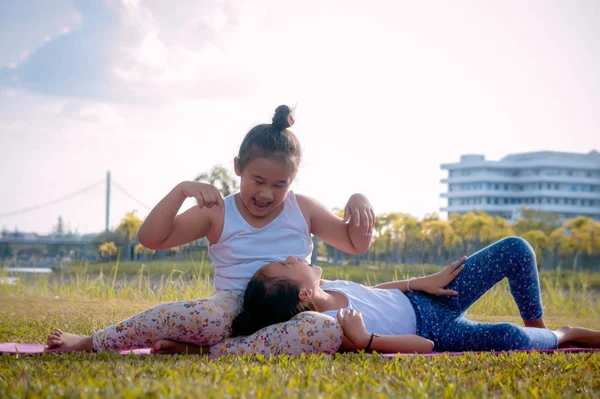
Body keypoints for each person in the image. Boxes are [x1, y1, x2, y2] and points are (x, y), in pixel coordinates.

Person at [47, 105, 374, 356]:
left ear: (293, 180)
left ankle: (206, 352)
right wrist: (181, 191)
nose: (266, 194)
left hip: (291, 309)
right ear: (238, 167)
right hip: (232, 306)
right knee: (208, 318)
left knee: (327, 332)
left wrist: (358, 201)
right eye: (257, 181)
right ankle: (93, 342)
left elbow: (353, 243)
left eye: (280, 184)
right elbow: (151, 238)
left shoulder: (302, 208)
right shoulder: (218, 212)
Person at [231, 237, 600, 353]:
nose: (295, 257)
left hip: (432, 295)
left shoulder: (330, 287)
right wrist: (366, 341)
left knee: (516, 249)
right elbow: (424, 346)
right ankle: (562, 336)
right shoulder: (333, 327)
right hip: (437, 329)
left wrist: (420, 282)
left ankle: (539, 326)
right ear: (304, 292)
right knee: (509, 337)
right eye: (286, 263)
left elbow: (374, 293)